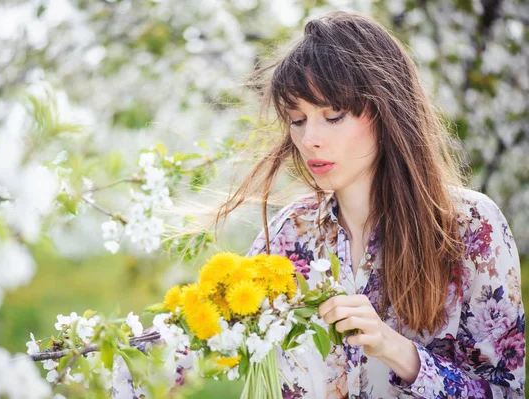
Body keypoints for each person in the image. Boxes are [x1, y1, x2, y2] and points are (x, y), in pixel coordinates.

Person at [113, 11, 525, 398]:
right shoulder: (292, 234)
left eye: (334, 115)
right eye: (297, 119)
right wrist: (101, 356)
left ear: (386, 111)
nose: (310, 138)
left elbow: (506, 390)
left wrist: (399, 352)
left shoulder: (469, 226)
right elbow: (210, 337)